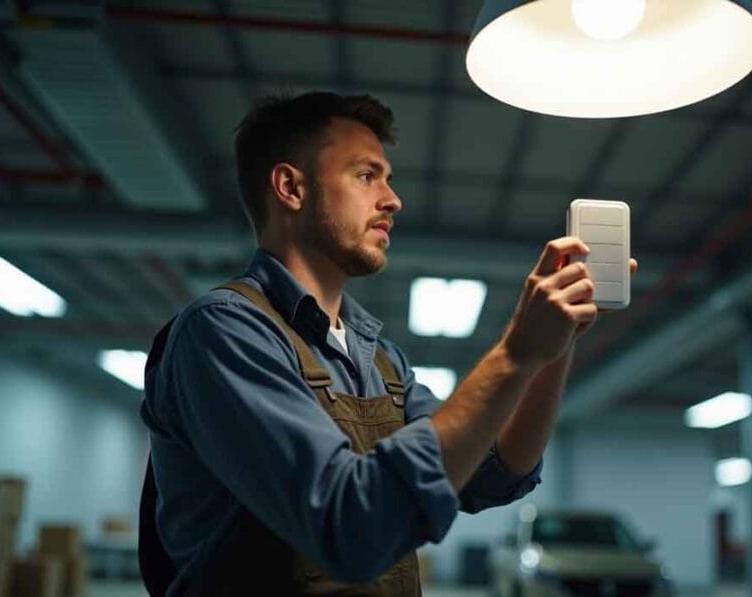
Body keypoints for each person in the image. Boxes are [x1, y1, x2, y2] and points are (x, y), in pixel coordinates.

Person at [138, 91, 636, 595]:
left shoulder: (379, 357)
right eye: (365, 175)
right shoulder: (224, 331)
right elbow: (347, 529)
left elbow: (494, 474)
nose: (392, 200)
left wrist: (555, 346)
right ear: (291, 187)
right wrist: (514, 355)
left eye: (388, 180)